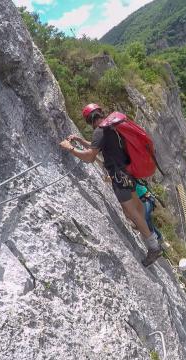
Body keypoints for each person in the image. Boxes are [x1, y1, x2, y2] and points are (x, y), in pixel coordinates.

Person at [60, 103, 162, 266]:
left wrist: (70, 148)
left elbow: (90, 157)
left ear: (89, 120)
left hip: (119, 177)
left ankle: (153, 246)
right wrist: (80, 140)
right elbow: (98, 147)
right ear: (100, 113)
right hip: (129, 173)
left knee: (131, 212)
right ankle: (150, 234)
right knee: (137, 208)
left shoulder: (99, 131)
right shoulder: (111, 127)